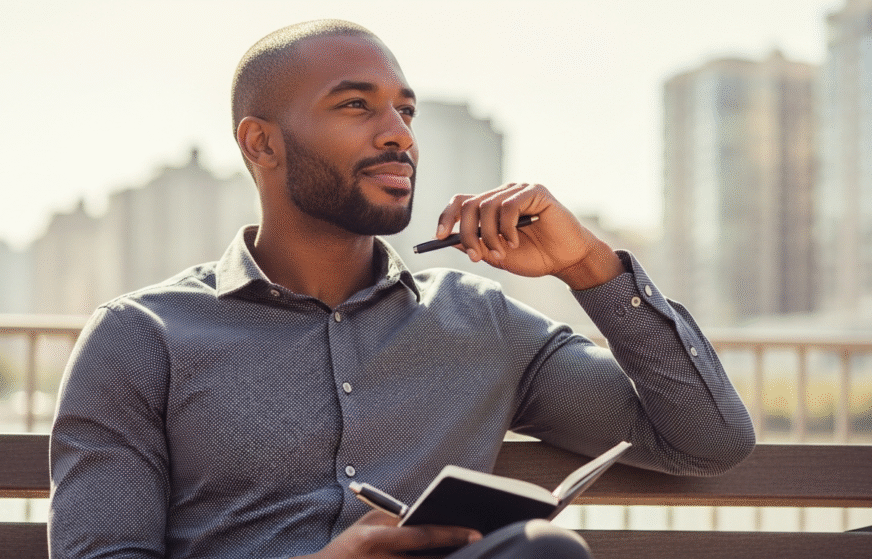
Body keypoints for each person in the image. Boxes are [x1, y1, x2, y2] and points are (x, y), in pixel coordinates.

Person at [49, 19, 755, 559]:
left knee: (542, 551)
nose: (400, 137)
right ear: (262, 144)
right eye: (357, 107)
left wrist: (590, 265)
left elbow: (707, 440)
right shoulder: (141, 337)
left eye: (406, 112)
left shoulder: (480, 323)